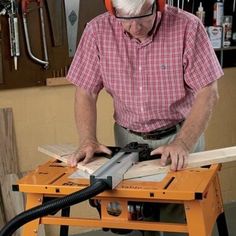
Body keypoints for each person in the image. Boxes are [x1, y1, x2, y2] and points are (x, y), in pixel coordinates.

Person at [66, 0, 223, 235]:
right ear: (113, 9)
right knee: (144, 220)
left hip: (180, 136)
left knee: (183, 222)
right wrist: (88, 139)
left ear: (158, 4)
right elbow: (85, 91)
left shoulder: (188, 27)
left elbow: (208, 92)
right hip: (128, 141)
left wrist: (183, 143)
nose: (135, 28)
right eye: (126, 19)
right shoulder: (97, 30)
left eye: (142, 17)